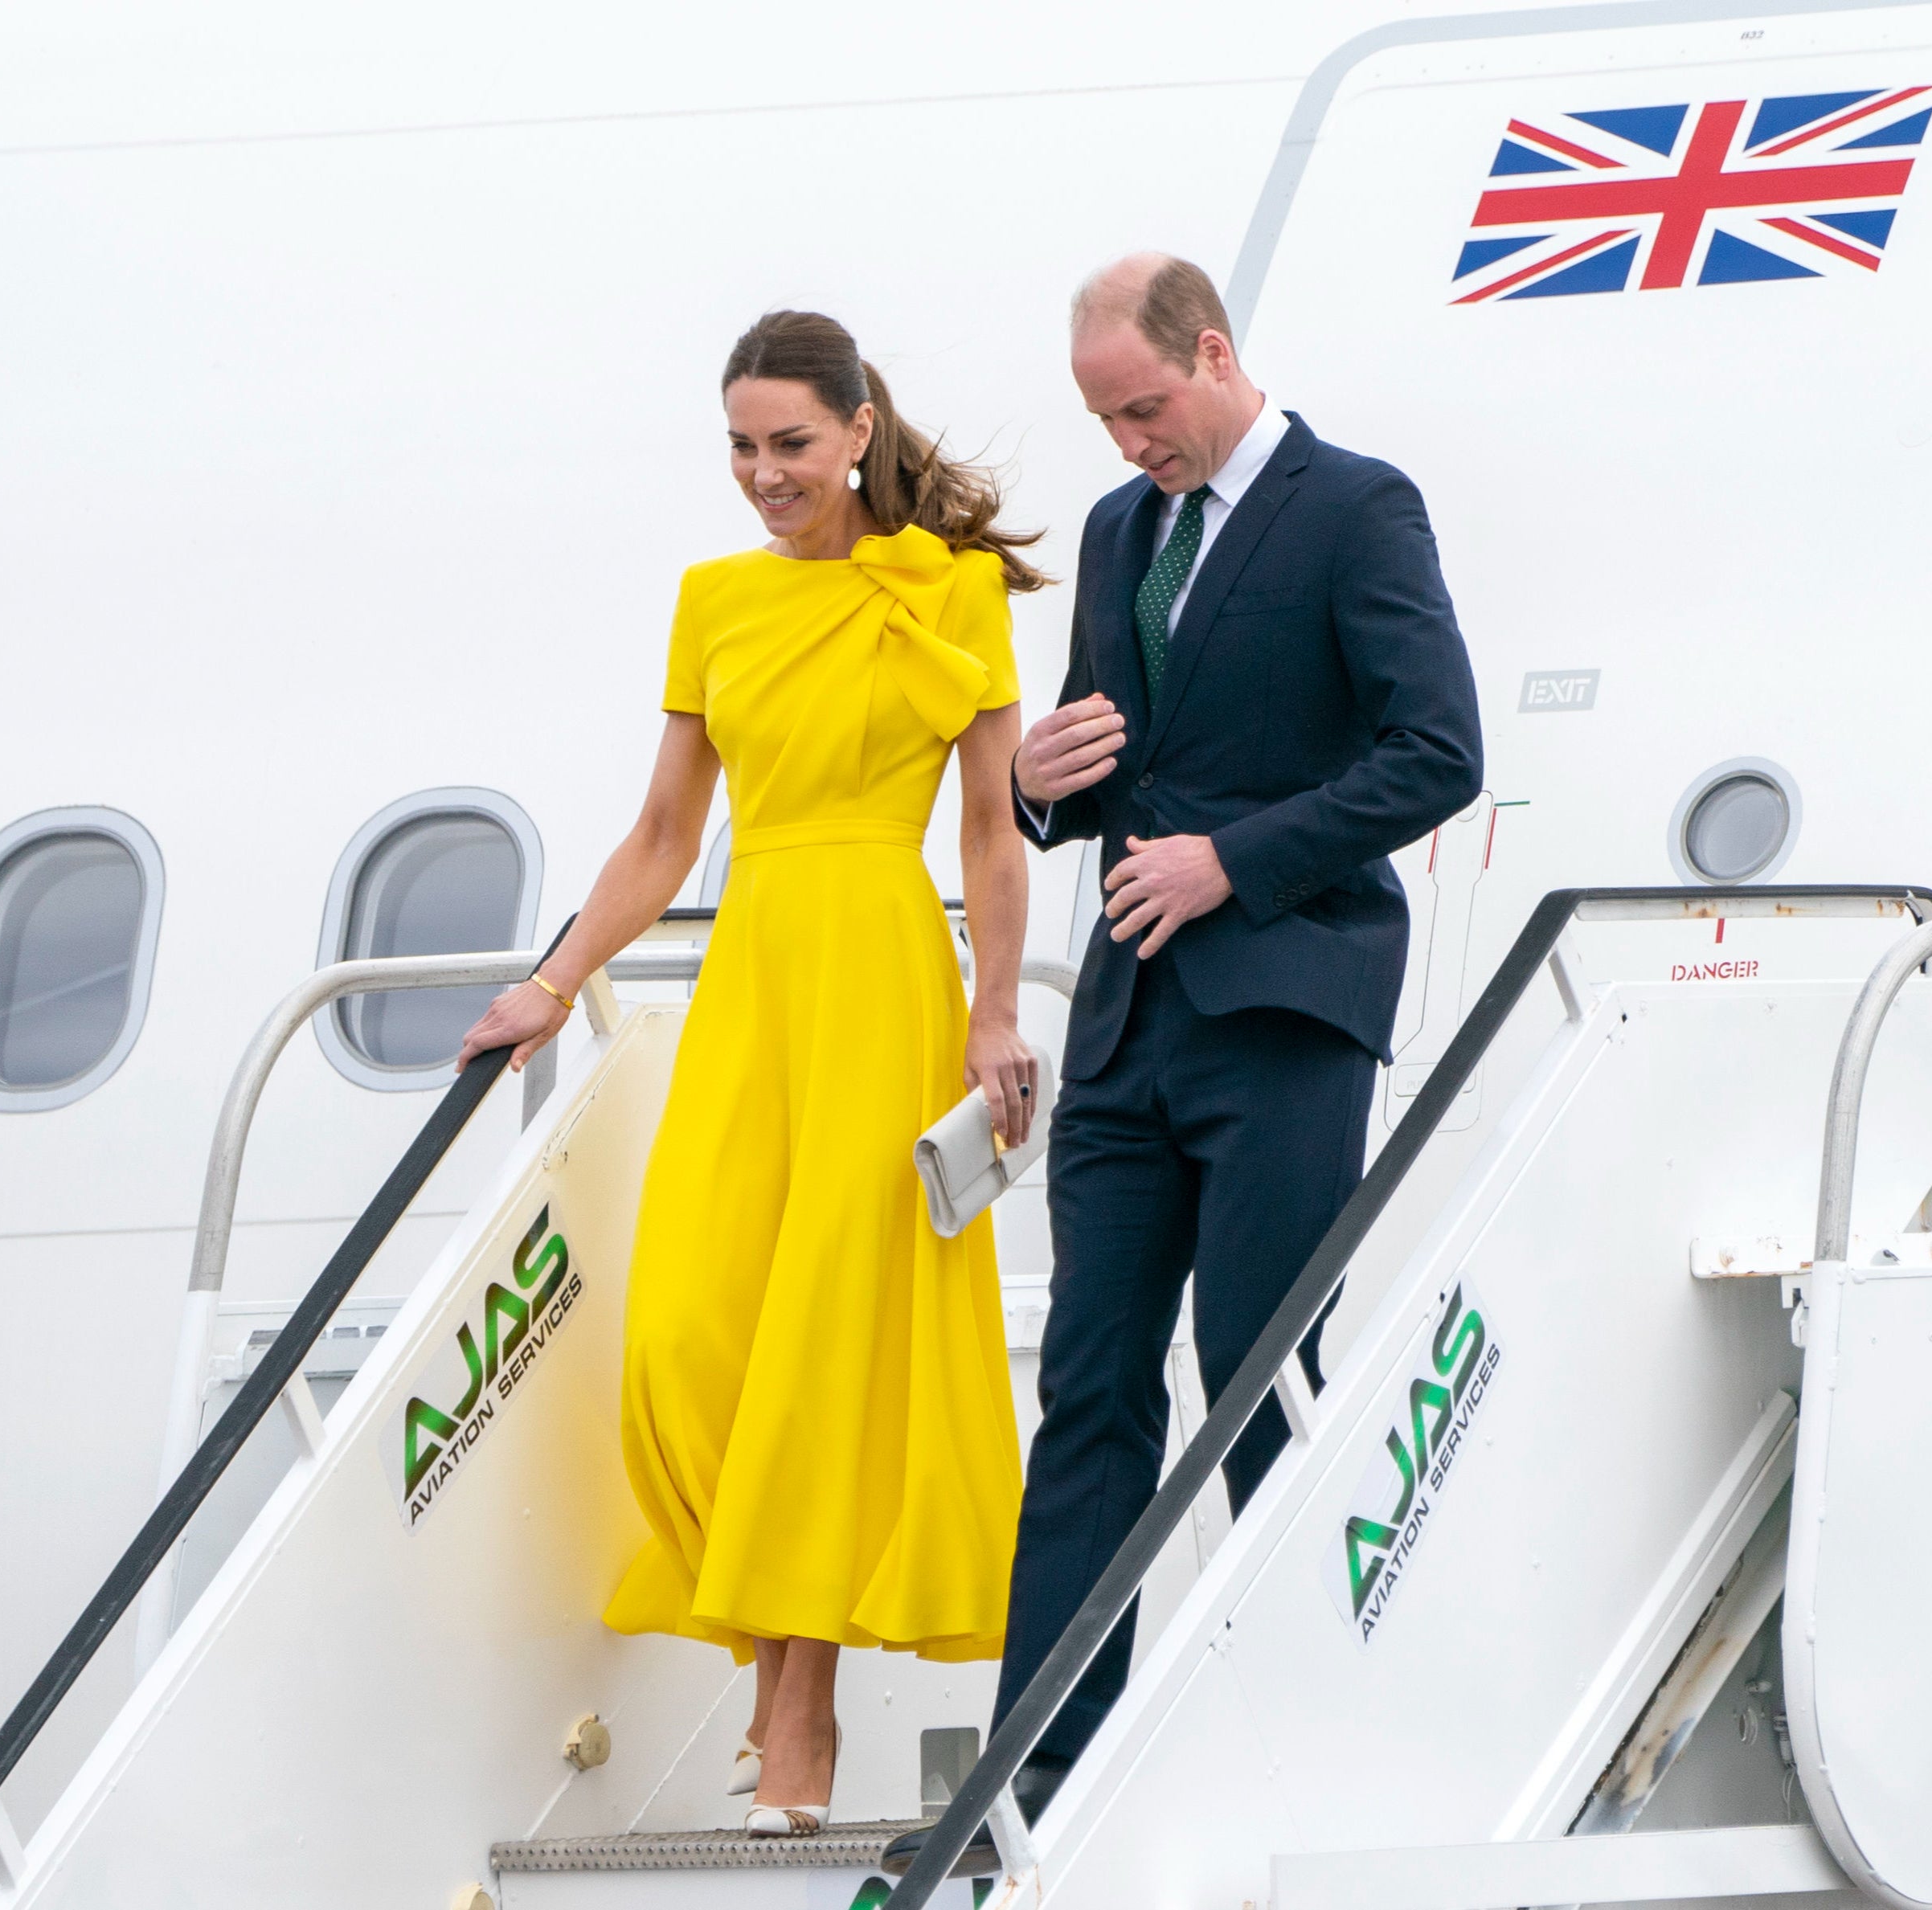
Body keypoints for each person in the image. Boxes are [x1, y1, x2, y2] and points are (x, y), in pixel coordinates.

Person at [884, 254, 1482, 1879]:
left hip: (1283, 1006)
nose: (1127, 441)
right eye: (1102, 418)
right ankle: (1034, 1791)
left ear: (1214, 355)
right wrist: (1048, 783)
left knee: (1257, 1382)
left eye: (1142, 407)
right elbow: (1090, 770)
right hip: (1132, 1027)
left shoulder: (1354, 508)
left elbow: (1436, 749)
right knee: (1086, 1392)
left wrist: (1236, 862)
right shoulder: (1114, 533)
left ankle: (1296, 1752)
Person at [458, 309, 1045, 1838]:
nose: (762, 473)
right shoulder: (713, 600)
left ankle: (797, 1730)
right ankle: (793, 1699)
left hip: (884, 973)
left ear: (860, 431)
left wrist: (994, 1016)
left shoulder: (951, 592)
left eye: (791, 443)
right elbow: (663, 836)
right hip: (758, 976)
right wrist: (552, 978)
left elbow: (989, 831)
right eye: (740, 446)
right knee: (693, 1330)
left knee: (827, 1351)